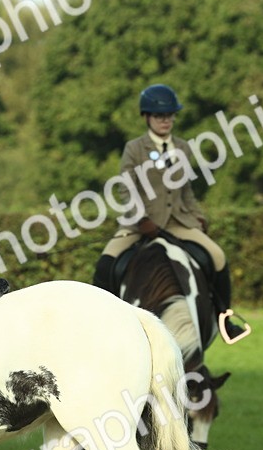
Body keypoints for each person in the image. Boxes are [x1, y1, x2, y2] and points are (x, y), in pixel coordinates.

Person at [91, 83, 244, 339]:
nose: (165, 120)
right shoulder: (134, 148)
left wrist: (197, 216)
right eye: (159, 116)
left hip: (177, 222)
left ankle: (224, 318)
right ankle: (100, 324)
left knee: (218, 257)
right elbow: (127, 189)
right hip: (139, 224)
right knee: (105, 264)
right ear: (147, 117)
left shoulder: (183, 148)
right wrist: (141, 219)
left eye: (170, 115)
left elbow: (186, 191)